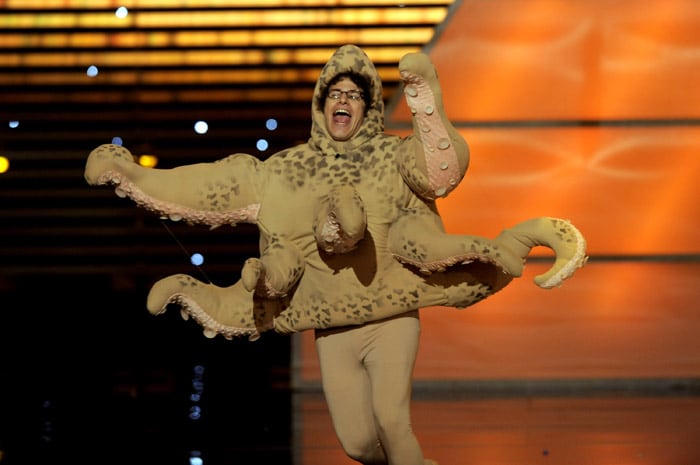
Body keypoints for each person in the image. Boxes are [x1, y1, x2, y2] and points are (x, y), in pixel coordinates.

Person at [84, 44, 586, 464]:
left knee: (393, 419)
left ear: (367, 107)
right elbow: (213, 185)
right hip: (332, 327)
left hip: (392, 317)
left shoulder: (393, 156)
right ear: (321, 104)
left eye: (354, 95)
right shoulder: (284, 171)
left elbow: (441, 169)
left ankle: (526, 236)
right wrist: (134, 177)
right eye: (335, 94)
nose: (343, 101)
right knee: (357, 444)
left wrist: (425, 101)